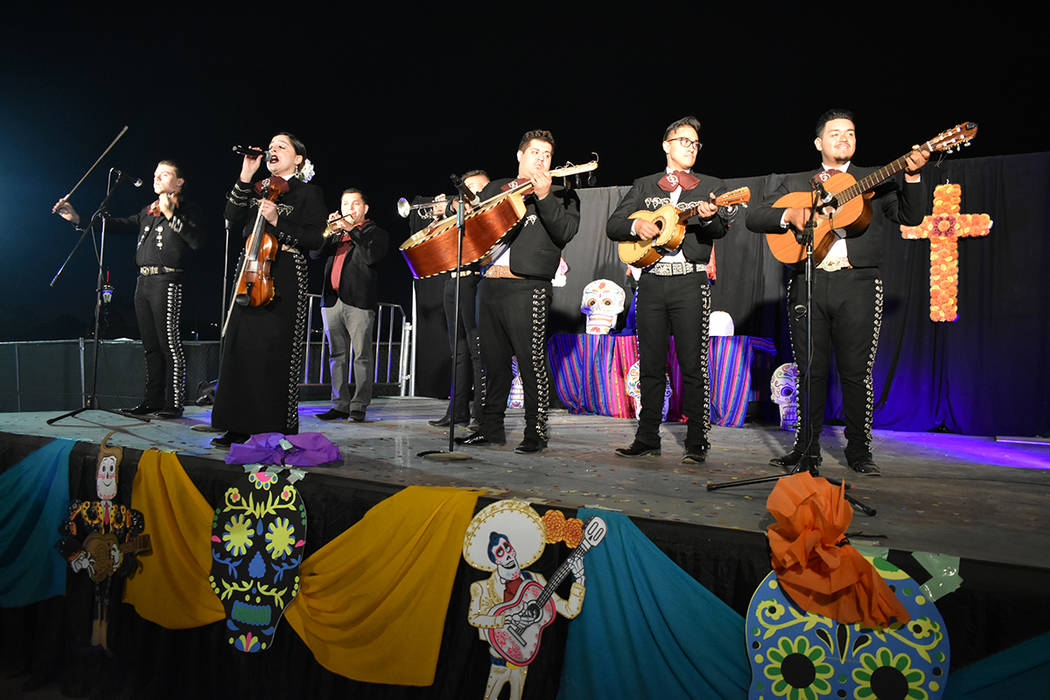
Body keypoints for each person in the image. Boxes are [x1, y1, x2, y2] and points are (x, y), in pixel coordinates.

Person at [745, 109, 929, 475]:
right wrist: (791, 215)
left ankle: (859, 451)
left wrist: (912, 174)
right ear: (819, 143)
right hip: (809, 282)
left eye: (850, 133)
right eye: (835, 133)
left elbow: (912, 216)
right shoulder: (798, 181)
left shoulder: (873, 179)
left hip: (857, 283)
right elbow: (756, 216)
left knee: (856, 371)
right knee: (809, 370)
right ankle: (805, 449)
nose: (844, 139)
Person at [605, 116, 729, 464]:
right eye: (684, 141)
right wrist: (637, 224)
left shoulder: (710, 184)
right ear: (666, 146)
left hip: (690, 280)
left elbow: (720, 229)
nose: (690, 147)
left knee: (693, 364)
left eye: (695, 143)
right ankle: (647, 438)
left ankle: (696, 441)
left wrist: (707, 216)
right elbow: (614, 225)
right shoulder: (645, 185)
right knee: (651, 365)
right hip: (652, 281)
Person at [456, 130, 580, 454]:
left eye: (547, 155)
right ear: (520, 156)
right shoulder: (496, 188)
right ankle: (489, 428)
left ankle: (535, 433)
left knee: (531, 363)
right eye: (535, 152)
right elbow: (474, 231)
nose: (541, 158)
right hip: (489, 283)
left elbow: (565, 231)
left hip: (528, 285)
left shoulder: (564, 194)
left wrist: (543, 196)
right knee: (492, 364)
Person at [53, 161, 203, 418]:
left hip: (166, 280)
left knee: (170, 345)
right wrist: (78, 219)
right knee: (150, 345)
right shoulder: (147, 210)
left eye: (164, 174)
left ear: (179, 182)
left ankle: (174, 402)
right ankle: (152, 400)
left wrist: (170, 215)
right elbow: (117, 225)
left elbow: (195, 241)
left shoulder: (188, 209)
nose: (157, 178)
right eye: (155, 174)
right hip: (143, 282)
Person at [210, 132, 326, 447]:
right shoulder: (257, 188)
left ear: (299, 158)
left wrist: (278, 221)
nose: (273, 150)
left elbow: (317, 239)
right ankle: (236, 425)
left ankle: (274, 426)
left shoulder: (308, 193)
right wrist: (246, 174)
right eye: (271, 146)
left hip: (285, 274)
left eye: (282, 146)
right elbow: (231, 217)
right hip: (250, 270)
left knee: (272, 351)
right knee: (240, 348)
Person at [314, 188, 388, 422]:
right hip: (332, 301)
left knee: (361, 356)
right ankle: (340, 404)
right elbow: (315, 254)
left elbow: (370, 256)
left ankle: (359, 405)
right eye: (345, 204)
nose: (349, 209)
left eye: (355, 204)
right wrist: (328, 232)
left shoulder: (375, 232)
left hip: (359, 302)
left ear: (365, 208)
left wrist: (351, 229)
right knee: (337, 355)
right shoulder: (336, 235)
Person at [426, 169, 490, 429]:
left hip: (475, 280)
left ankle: (481, 414)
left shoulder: (487, 213)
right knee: (458, 351)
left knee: (476, 350)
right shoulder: (458, 217)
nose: (471, 193)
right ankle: (457, 410)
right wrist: (438, 223)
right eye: (467, 188)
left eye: (477, 188)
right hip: (452, 281)